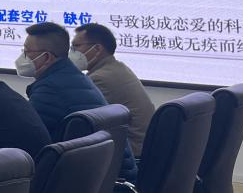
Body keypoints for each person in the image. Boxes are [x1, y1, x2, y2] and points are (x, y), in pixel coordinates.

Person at [19, 22, 136, 180]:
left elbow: (29, 143)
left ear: (46, 57)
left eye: (26, 52)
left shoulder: (51, 90)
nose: (22, 57)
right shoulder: (72, 77)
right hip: (109, 181)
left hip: (103, 185)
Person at [73, 23, 154, 156]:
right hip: (143, 149)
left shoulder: (100, 78)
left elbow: (82, 125)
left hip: (130, 154)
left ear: (97, 49)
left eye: (76, 46)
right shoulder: (117, 68)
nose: (72, 52)